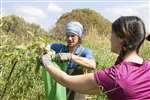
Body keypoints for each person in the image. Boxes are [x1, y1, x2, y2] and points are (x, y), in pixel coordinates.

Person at [42, 16, 150, 100]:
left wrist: (47, 63)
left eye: (112, 34)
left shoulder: (115, 75)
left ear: (122, 37)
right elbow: (100, 90)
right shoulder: (147, 67)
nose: (110, 38)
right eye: (68, 35)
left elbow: (66, 80)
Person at [44, 21, 96, 100]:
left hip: (78, 91)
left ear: (79, 37)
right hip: (61, 89)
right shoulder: (60, 48)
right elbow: (46, 47)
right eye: (67, 36)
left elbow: (92, 65)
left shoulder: (84, 52)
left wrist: (71, 56)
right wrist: (44, 51)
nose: (69, 39)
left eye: (73, 36)